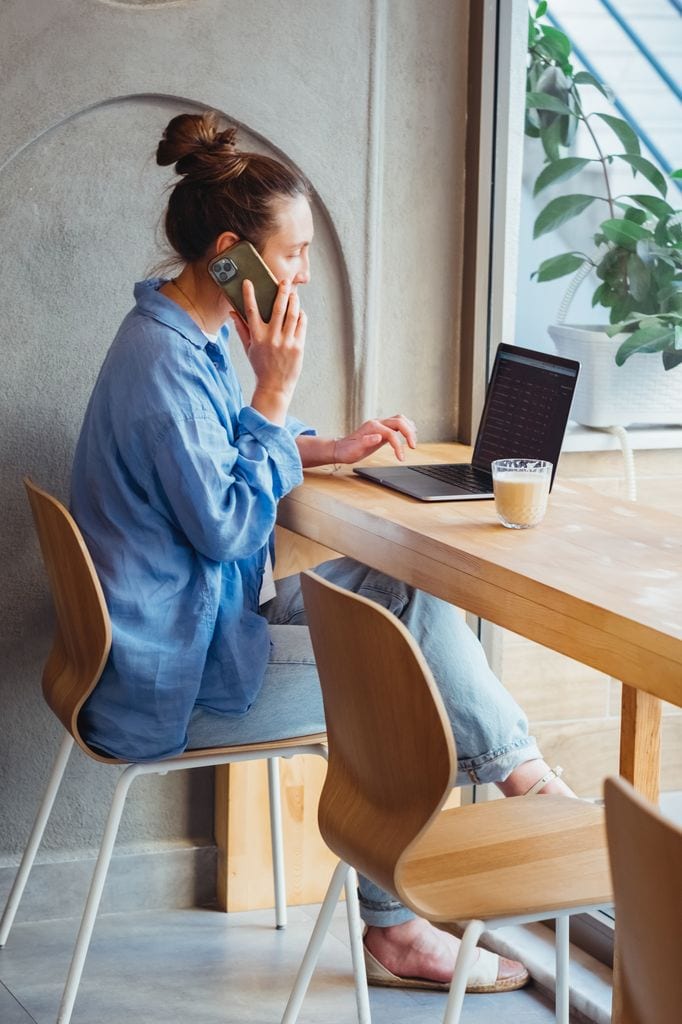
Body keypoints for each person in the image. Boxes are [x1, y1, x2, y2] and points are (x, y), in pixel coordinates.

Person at [71, 110, 574, 995]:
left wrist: (323, 445)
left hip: (182, 630)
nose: (302, 274)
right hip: (171, 687)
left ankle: (520, 780)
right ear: (234, 252)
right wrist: (274, 388)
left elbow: (221, 444)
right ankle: (414, 912)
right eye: (294, 254)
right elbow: (228, 521)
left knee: (398, 587)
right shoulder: (163, 363)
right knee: (395, 679)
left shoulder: (180, 334)